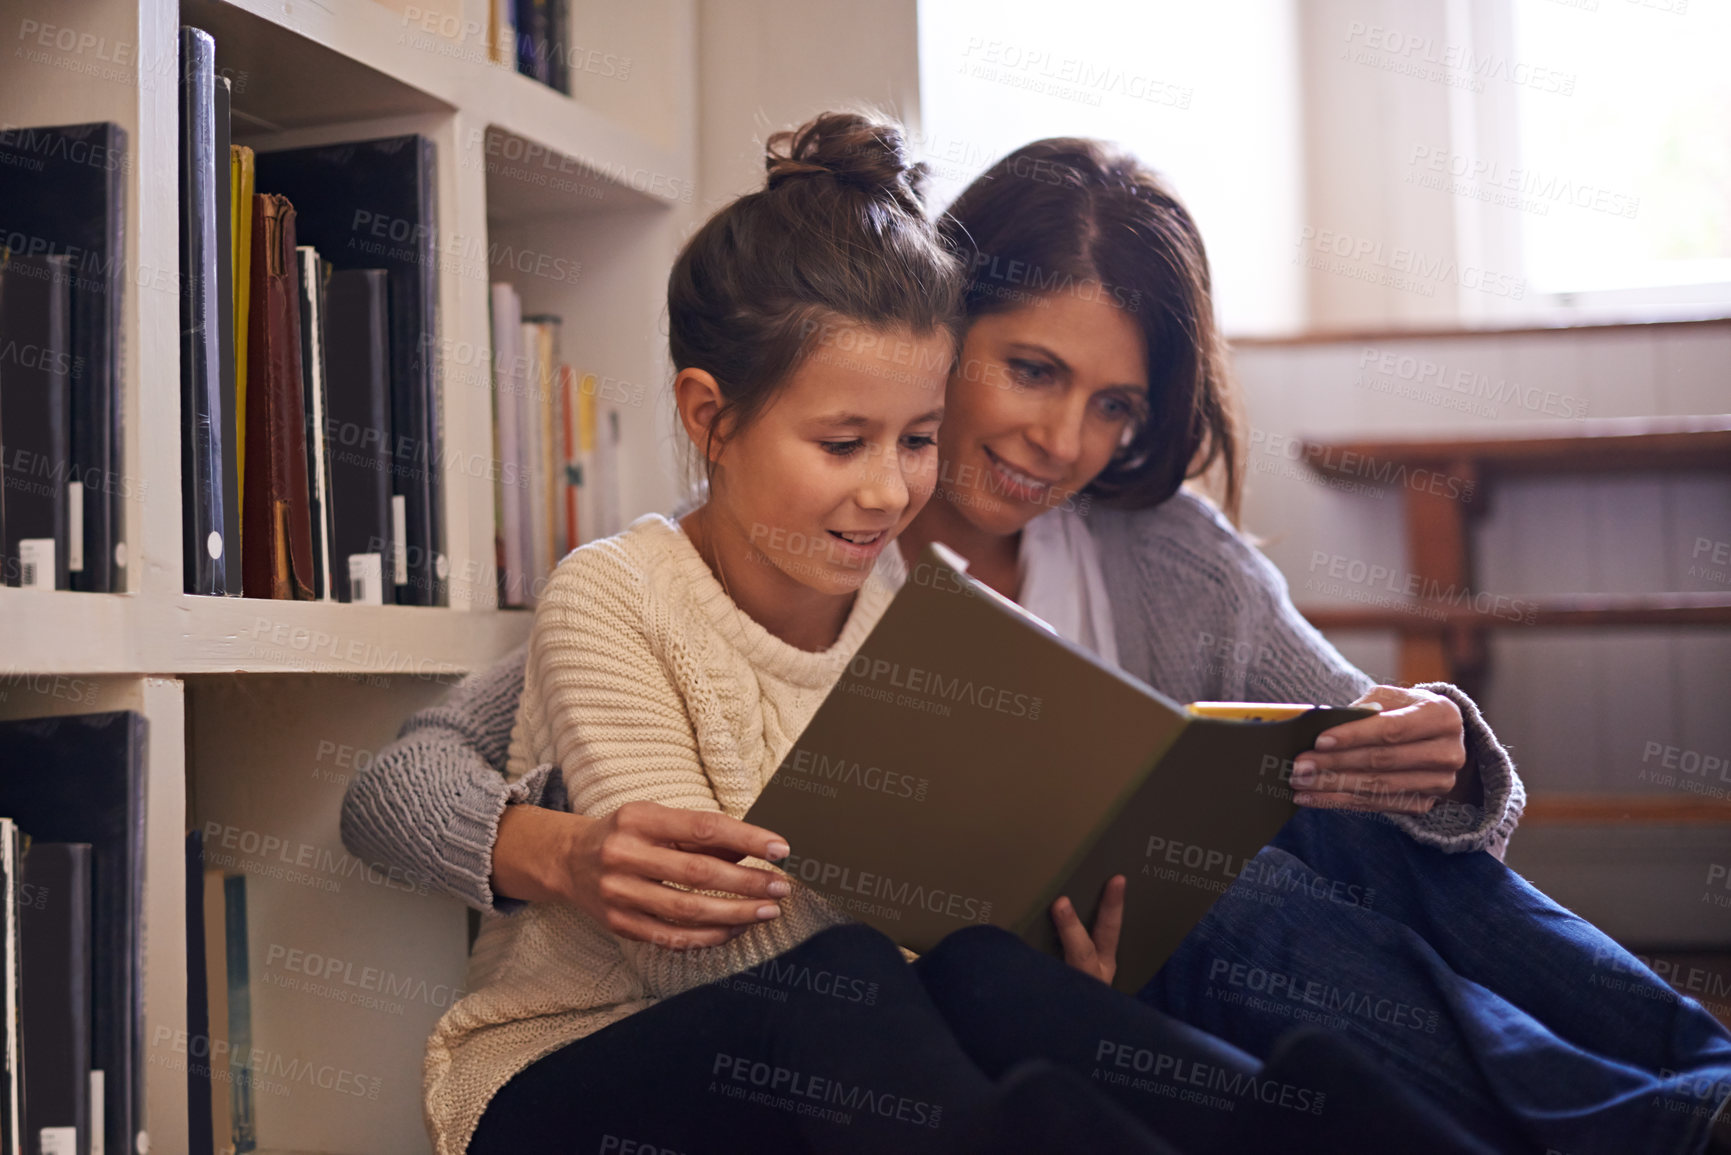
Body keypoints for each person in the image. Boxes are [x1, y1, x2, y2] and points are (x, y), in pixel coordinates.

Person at [346, 129, 1731, 1154]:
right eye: (1030, 374)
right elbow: (403, 780)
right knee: (1185, 890)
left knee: (1333, 819)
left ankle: (1690, 1093)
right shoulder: (746, 557)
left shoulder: (1163, 556)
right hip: (934, 978)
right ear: (946, 333)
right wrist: (542, 848)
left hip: (1069, 964)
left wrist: (1434, 756)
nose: (1064, 443)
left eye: (1118, 406)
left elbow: (1363, 756)